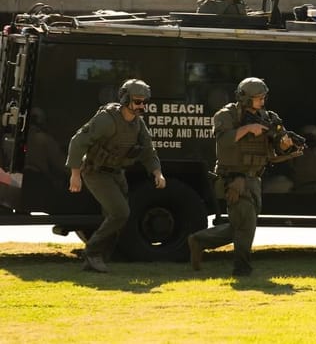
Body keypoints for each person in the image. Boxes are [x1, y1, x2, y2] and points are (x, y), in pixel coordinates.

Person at [187, 77, 297, 276]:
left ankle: (200, 240)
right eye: (258, 98)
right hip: (233, 178)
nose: (262, 102)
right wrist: (247, 129)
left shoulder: (268, 116)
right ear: (245, 98)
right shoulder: (226, 115)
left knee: (244, 225)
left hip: (254, 178)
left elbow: (276, 145)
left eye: (263, 97)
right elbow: (223, 140)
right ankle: (242, 268)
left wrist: (285, 145)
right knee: (245, 224)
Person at [66, 79, 166, 273]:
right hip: (96, 172)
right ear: (125, 99)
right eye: (138, 102)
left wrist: (157, 172)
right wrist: (75, 175)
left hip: (117, 174)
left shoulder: (138, 124)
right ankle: (93, 252)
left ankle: (100, 258)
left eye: (145, 102)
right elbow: (78, 142)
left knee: (115, 217)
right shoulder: (107, 120)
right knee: (121, 212)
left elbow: (148, 151)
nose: (142, 106)